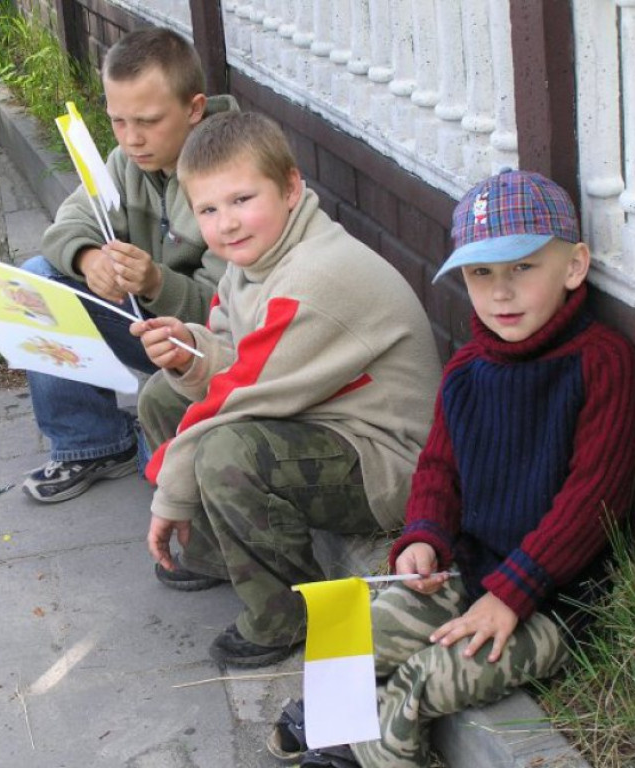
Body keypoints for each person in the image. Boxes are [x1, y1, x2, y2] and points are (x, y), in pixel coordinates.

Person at [269, 169, 635, 767]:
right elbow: (439, 470)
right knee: (346, 634)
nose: (501, 292)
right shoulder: (468, 368)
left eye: (523, 267)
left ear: (574, 266)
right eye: (481, 274)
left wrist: (514, 591)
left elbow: (592, 501)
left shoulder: (603, 363)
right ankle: (339, 731)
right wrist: (423, 537)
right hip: (468, 572)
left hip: (554, 600)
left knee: (419, 682)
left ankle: (363, 745)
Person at [130, 112, 443, 668]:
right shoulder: (251, 260)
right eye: (208, 209)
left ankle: (286, 616)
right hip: (318, 419)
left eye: (243, 199)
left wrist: (171, 492)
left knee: (228, 452)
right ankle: (212, 552)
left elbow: (241, 398)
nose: (227, 224)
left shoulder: (314, 277)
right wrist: (190, 349)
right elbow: (236, 355)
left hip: (388, 462)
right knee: (162, 391)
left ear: (292, 187)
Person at [19, 27, 234, 503]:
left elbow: (225, 310)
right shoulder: (127, 160)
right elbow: (67, 223)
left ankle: (147, 438)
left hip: (210, 348)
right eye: (118, 121)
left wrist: (156, 282)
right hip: (150, 329)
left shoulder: (231, 171)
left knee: (161, 469)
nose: (132, 139)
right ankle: (90, 442)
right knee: (39, 277)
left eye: (148, 121)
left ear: (195, 108)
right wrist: (87, 256)